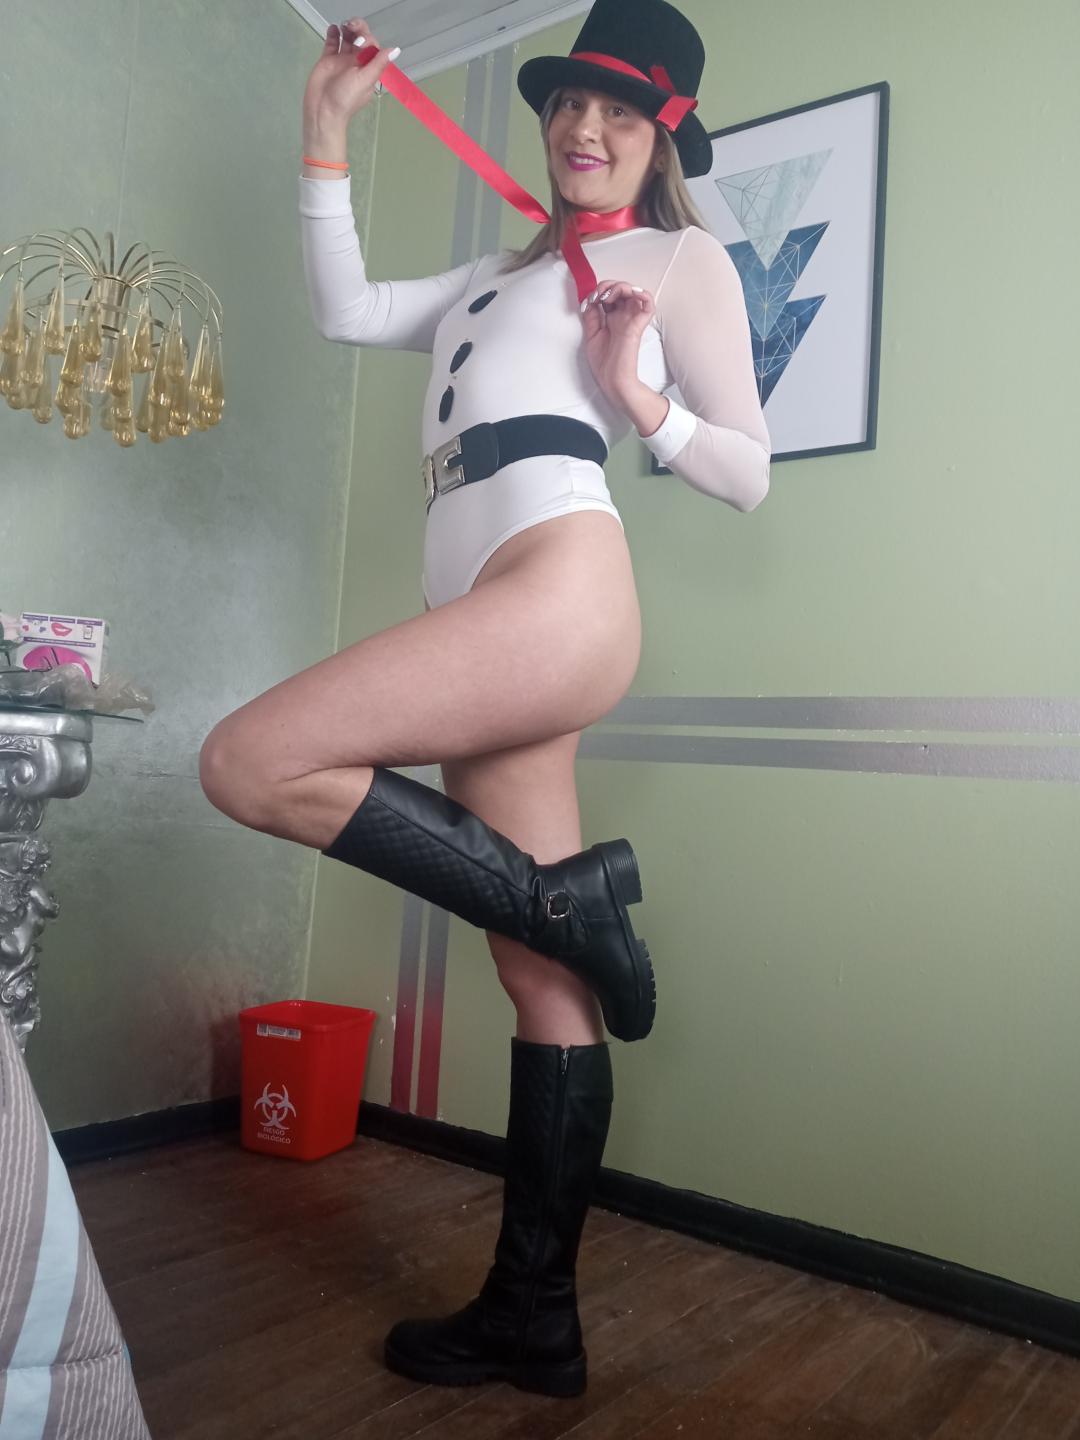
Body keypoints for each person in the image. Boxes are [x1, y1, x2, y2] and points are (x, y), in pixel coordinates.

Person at [198, 0, 770, 1399]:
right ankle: (535, 1317)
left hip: (559, 583)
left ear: (660, 139)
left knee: (248, 762)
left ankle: (573, 901)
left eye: (619, 113)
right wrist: (325, 130)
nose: (585, 129)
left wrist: (637, 395)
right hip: (486, 608)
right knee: (543, 983)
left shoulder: (679, 261)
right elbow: (343, 310)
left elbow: (749, 472)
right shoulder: (492, 274)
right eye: (570, 103)